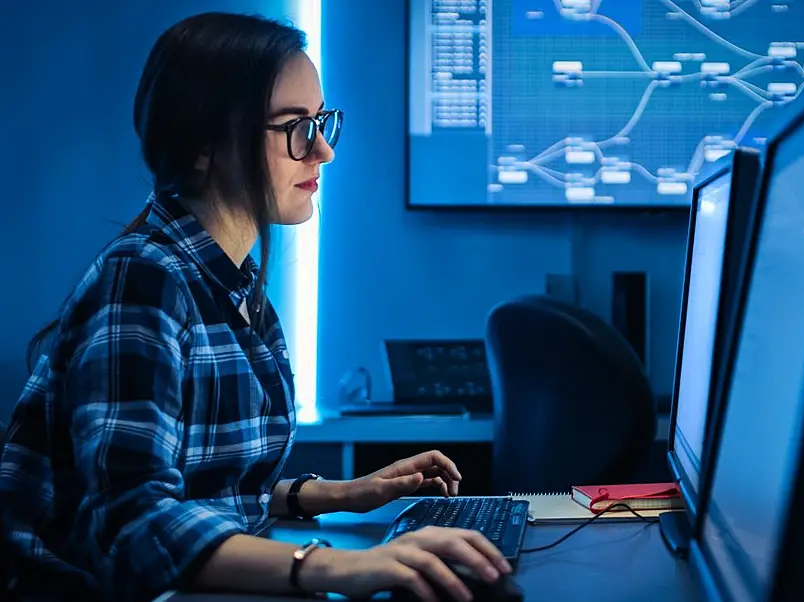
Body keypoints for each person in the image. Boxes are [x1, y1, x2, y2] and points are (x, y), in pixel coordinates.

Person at [0, 12, 509, 602]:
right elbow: (132, 525)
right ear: (201, 146)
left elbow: (203, 491)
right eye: (294, 126)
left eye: (320, 122)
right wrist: (337, 567)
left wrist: (344, 494)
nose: (322, 150)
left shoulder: (235, 288)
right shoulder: (143, 278)